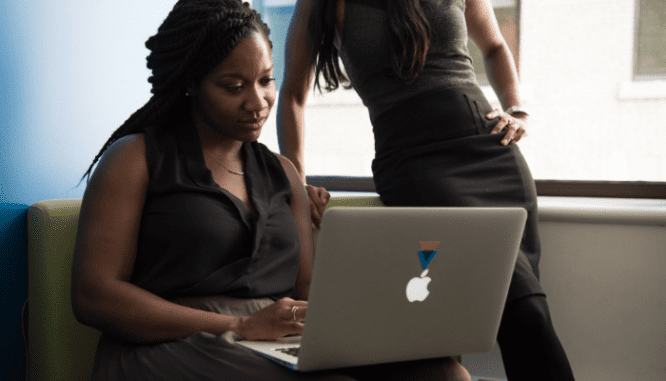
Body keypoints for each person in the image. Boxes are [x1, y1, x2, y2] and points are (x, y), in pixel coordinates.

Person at [72, 1, 470, 380]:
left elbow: (308, 291)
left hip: (273, 340)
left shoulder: (282, 173)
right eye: (234, 86)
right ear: (191, 84)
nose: (258, 102)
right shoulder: (135, 158)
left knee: (444, 374)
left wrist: (367, 318)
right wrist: (240, 325)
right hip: (169, 345)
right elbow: (95, 295)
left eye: (266, 81)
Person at [277, 1, 576, 380]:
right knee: (519, 311)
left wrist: (516, 110)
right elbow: (292, 95)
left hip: (489, 150)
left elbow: (496, 46)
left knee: (528, 312)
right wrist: (297, 185)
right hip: (414, 164)